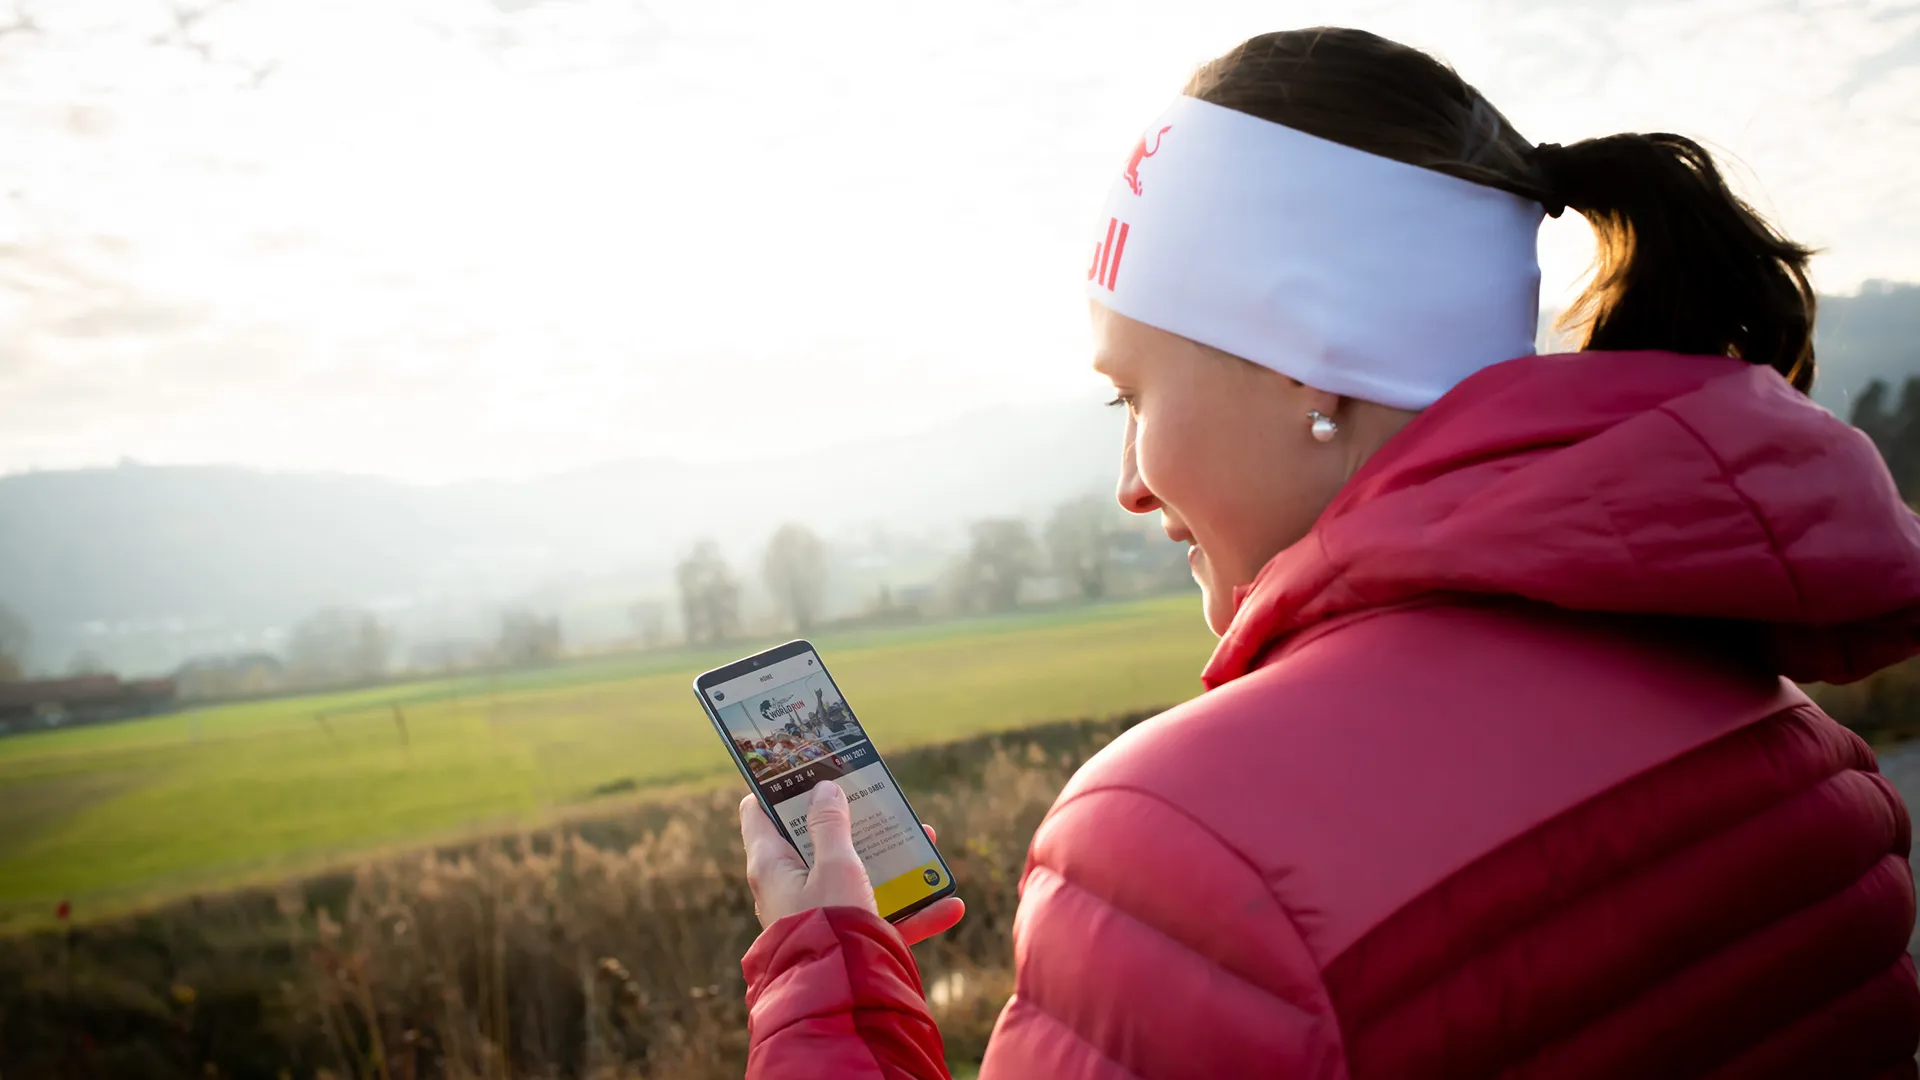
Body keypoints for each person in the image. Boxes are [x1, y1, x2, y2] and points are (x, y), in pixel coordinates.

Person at [733, 27, 1920, 1079]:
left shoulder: (1178, 847)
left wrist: (825, 987)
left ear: (1308, 361)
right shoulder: (1800, 743)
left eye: (1130, 396)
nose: (1131, 486)